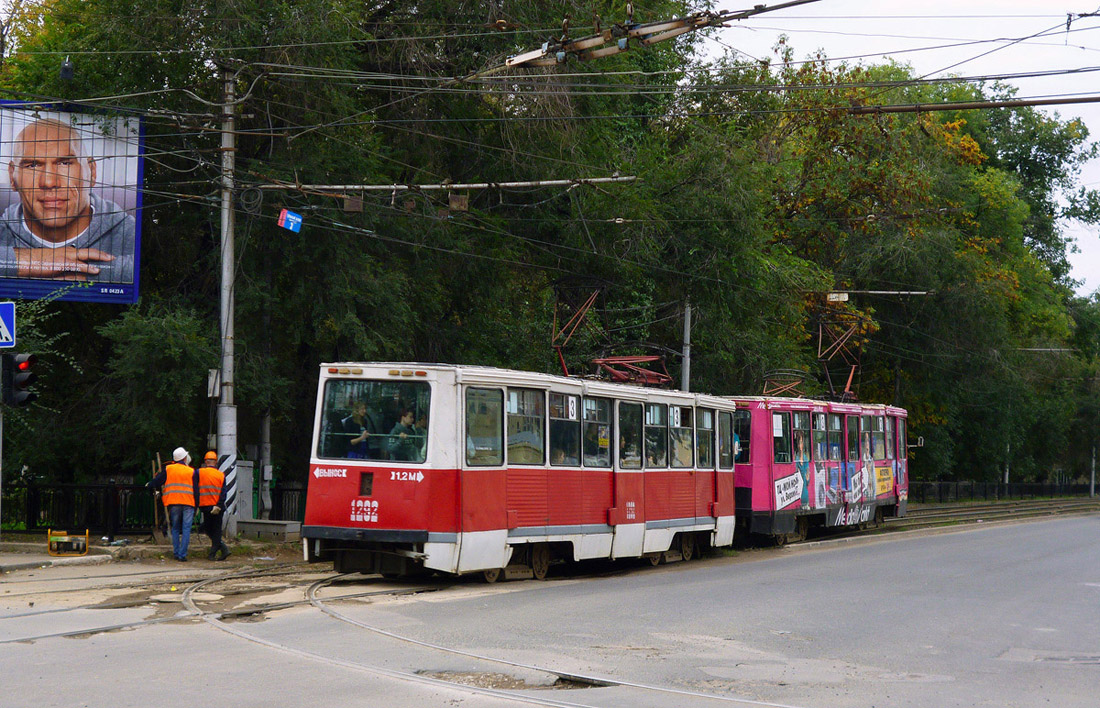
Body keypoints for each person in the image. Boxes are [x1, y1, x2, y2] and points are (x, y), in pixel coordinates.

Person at [0, 118, 136, 282]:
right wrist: (33, 260)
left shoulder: (132, 234)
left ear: (91, 172)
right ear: (12, 177)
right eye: (32, 166)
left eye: (65, 163)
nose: (49, 182)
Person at [146, 447, 196, 561]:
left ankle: (176, 552)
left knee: (175, 528)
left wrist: (150, 484)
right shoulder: (191, 471)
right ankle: (182, 555)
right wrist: (197, 504)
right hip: (188, 502)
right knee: (186, 528)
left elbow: (157, 481)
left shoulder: (168, 469)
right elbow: (196, 490)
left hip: (174, 503)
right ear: (184, 458)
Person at [196, 450, 230, 561]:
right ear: (216, 462)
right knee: (216, 530)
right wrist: (219, 505)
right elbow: (223, 492)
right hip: (217, 508)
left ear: (206, 462)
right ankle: (222, 549)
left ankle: (214, 553)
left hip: (206, 506)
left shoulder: (199, 472)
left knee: (208, 529)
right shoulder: (221, 475)